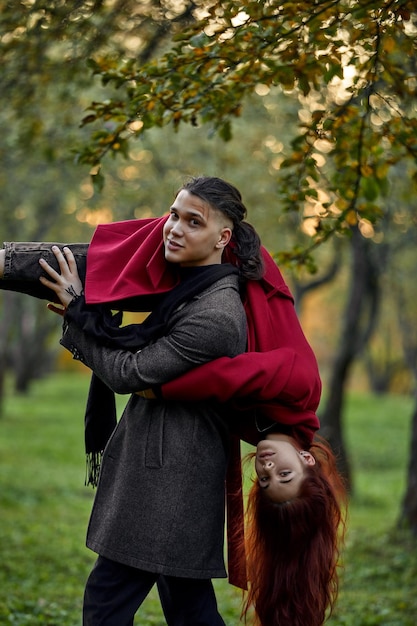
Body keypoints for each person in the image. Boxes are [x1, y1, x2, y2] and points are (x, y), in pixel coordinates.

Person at [0, 176, 347, 626]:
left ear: (222, 239)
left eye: (192, 222)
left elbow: (136, 374)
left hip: (167, 478)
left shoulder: (217, 314)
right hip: (174, 475)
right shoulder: (291, 388)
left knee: (107, 605)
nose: (264, 468)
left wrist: (79, 313)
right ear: (306, 458)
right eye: (174, 215)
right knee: (188, 609)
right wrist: (74, 303)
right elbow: (117, 270)